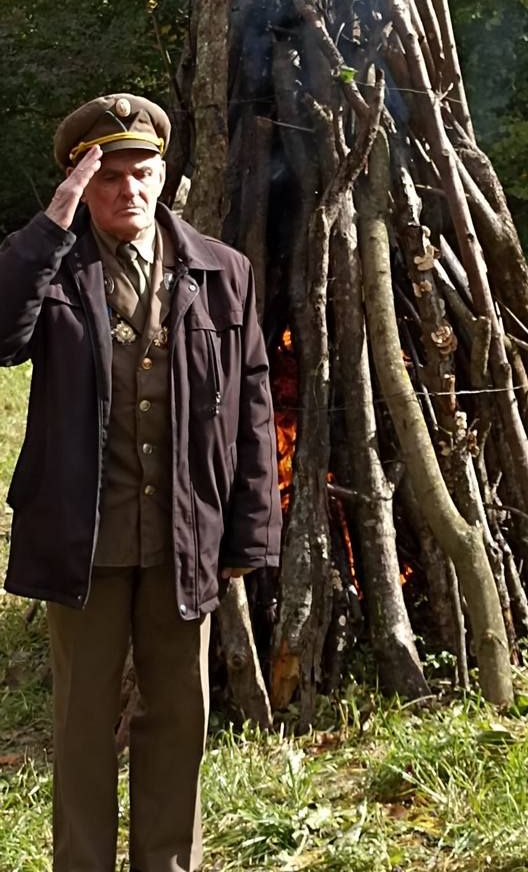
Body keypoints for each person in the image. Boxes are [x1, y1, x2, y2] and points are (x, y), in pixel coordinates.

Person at [0, 94, 281, 872]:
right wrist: (51, 227)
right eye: (107, 176)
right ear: (80, 184)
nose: (128, 189)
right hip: (82, 540)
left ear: (165, 176)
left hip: (183, 536)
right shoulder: (52, 267)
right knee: (82, 726)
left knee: (179, 720)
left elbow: (253, 404)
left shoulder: (220, 271)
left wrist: (250, 530)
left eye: (142, 172)